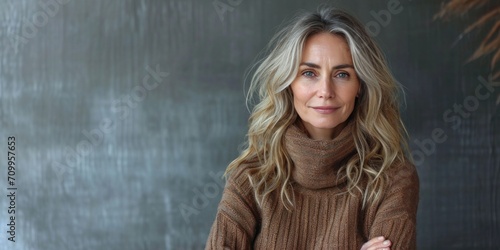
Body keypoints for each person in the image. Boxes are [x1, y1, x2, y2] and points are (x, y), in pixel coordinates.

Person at [205, 6, 419, 250]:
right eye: (309, 73)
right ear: (288, 84)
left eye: (342, 74)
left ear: (360, 85)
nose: (325, 91)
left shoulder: (393, 179)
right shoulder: (250, 179)